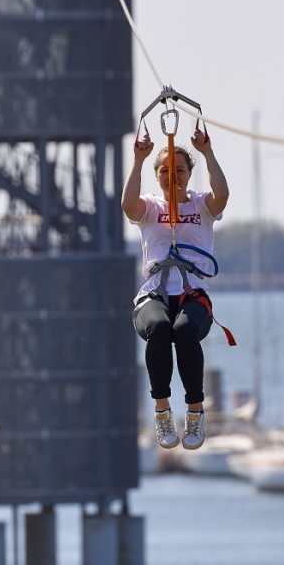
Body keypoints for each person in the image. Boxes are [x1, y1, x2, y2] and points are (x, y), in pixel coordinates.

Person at [122, 126, 230, 450]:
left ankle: (195, 412)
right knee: (159, 326)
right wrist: (138, 160)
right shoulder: (151, 208)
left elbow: (222, 194)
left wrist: (207, 152)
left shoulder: (202, 206)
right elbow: (128, 205)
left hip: (191, 294)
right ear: (157, 176)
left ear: (188, 173)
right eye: (166, 171)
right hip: (154, 294)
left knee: (183, 331)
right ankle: (162, 408)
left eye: (179, 170)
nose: (173, 177)